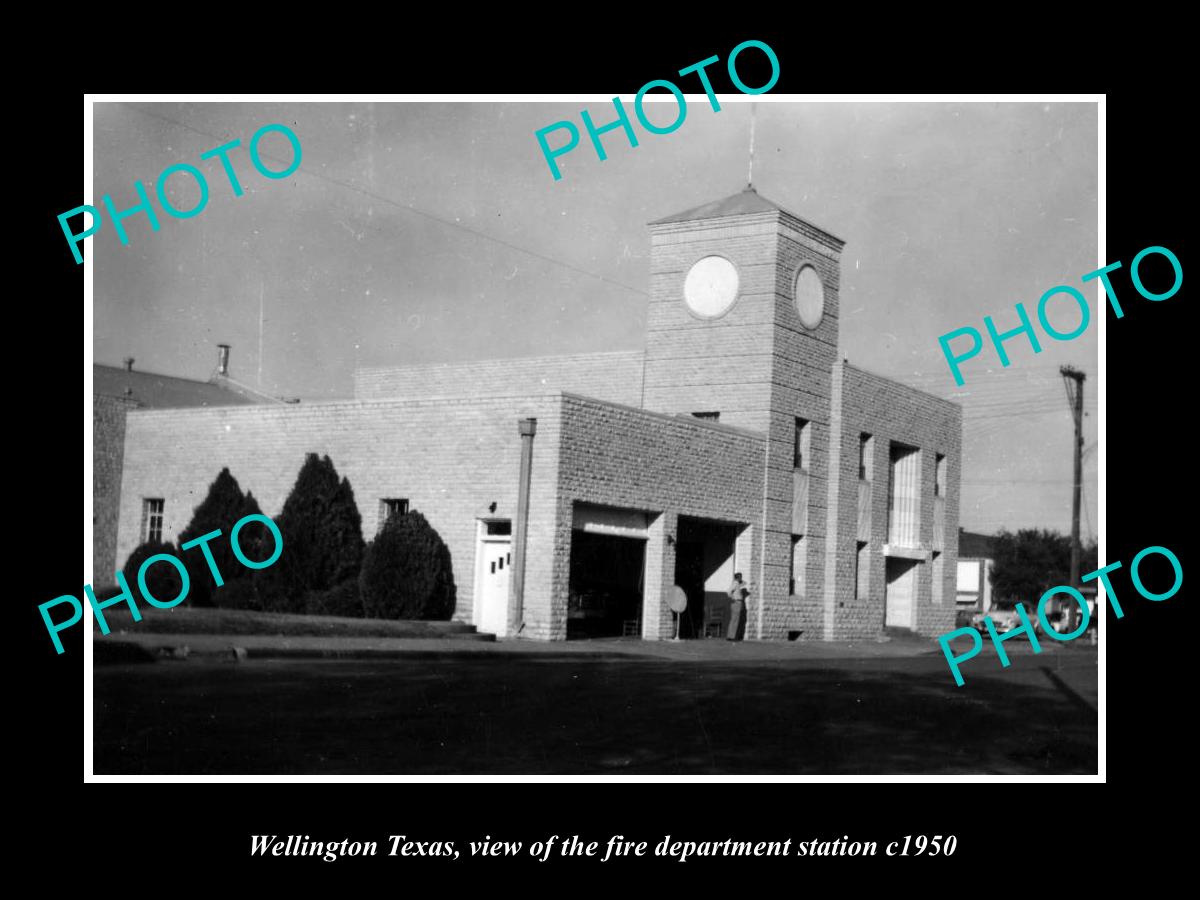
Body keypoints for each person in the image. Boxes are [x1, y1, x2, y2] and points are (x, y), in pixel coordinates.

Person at [727, 572, 749, 641]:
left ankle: (731, 636)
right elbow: (728, 591)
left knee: (734, 620)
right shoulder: (736, 583)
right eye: (740, 577)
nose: (741, 578)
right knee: (735, 620)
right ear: (737, 577)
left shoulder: (737, 583)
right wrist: (733, 598)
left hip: (737, 602)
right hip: (737, 602)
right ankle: (733, 636)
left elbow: (744, 583)